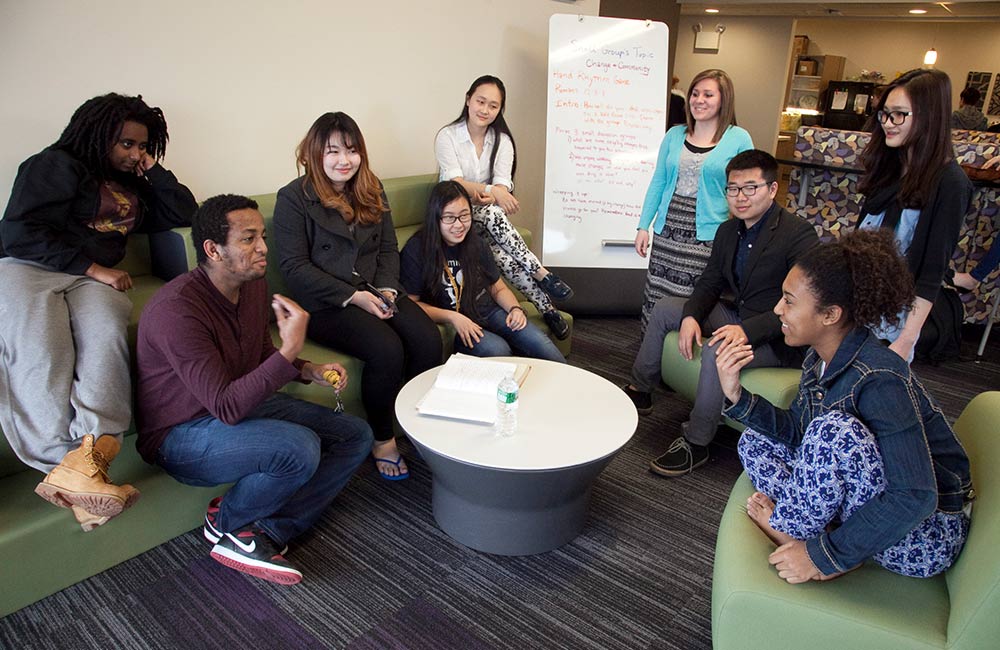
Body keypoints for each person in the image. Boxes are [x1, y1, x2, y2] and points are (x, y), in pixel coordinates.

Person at [135, 194, 372, 584]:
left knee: (355, 434)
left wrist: (307, 369)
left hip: (240, 406)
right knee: (299, 448)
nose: (263, 247)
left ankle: (265, 531)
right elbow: (226, 407)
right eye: (248, 239)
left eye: (262, 235)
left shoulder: (253, 286)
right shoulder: (177, 310)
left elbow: (260, 354)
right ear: (213, 250)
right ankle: (228, 521)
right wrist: (293, 346)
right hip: (180, 434)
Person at [716, 229, 973, 583]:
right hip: (874, 499)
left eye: (789, 301)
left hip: (924, 537)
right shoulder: (818, 358)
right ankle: (810, 528)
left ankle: (804, 538)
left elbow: (916, 496)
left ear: (830, 314)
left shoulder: (881, 378)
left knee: (832, 431)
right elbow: (797, 432)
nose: (777, 309)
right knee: (754, 440)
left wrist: (825, 557)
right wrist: (736, 396)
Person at [0, 93, 195, 531]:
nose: (135, 154)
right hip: (30, 269)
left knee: (107, 338)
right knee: (43, 351)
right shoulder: (54, 165)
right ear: (97, 135)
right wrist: (93, 268)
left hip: (95, 279)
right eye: (126, 144)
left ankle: (92, 456)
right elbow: (18, 233)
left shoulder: (132, 184)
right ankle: (65, 464)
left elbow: (184, 211)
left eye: (143, 146)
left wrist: (154, 171)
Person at [623, 150, 818, 477]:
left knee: (717, 350)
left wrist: (747, 332)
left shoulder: (798, 234)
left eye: (750, 188)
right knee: (666, 309)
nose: (740, 197)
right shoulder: (729, 231)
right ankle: (641, 390)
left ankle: (697, 442)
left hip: (777, 335)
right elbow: (710, 280)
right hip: (738, 316)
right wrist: (691, 316)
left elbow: (804, 304)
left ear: (772, 190)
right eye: (732, 189)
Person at [273, 112, 441, 480]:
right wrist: (354, 297)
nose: (343, 160)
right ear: (315, 154)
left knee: (427, 339)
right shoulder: (293, 198)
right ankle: (382, 438)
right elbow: (295, 267)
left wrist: (385, 289)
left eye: (351, 151)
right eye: (332, 151)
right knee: (386, 349)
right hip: (325, 302)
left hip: (375, 289)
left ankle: (410, 422)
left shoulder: (371, 188)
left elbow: (387, 248)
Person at [435, 75, 573, 340]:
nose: (485, 110)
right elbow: (456, 185)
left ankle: (547, 310)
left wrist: (495, 193)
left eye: (493, 105)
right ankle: (541, 273)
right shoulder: (447, 136)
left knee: (500, 256)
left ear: (500, 109)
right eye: (480, 101)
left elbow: (503, 187)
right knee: (492, 211)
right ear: (468, 99)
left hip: (483, 221)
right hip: (454, 217)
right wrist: (490, 192)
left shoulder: (502, 141)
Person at [858, 68, 973, 362]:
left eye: (899, 114)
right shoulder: (889, 167)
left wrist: (907, 340)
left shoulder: (950, 183)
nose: (887, 123)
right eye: (884, 114)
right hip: (857, 305)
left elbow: (932, 273)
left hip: (894, 322)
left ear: (928, 117)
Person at [634, 69, 753, 331]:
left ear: (724, 99)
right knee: (658, 293)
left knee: (692, 297)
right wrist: (644, 225)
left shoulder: (738, 138)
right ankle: (651, 352)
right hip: (668, 227)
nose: (699, 100)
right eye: (695, 94)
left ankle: (681, 355)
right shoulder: (675, 135)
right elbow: (659, 181)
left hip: (708, 232)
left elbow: (748, 187)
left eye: (708, 94)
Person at [401, 181, 566, 362]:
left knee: (541, 344)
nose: (459, 225)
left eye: (464, 216)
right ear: (436, 217)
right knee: (497, 349)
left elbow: (498, 288)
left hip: (487, 311)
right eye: (449, 217)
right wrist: (453, 317)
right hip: (453, 322)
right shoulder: (416, 249)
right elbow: (411, 304)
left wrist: (515, 308)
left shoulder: (476, 243)